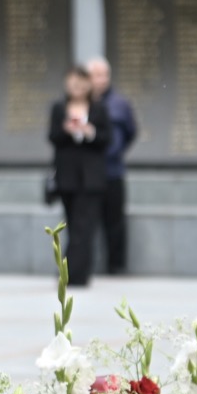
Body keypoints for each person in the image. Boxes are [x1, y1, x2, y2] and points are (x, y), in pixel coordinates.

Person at [48, 64, 110, 288]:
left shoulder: (98, 108)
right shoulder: (59, 108)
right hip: (67, 177)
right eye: (72, 82)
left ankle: (78, 275)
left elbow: (106, 139)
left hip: (92, 178)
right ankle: (68, 273)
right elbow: (53, 137)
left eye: (81, 82)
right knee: (72, 226)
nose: (77, 87)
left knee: (86, 227)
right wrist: (66, 130)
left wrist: (89, 131)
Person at [84, 57, 137, 275]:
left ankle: (116, 266)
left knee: (114, 222)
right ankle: (82, 266)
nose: (100, 80)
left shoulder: (119, 104)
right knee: (85, 221)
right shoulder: (80, 103)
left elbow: (131, 132)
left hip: (113, 171)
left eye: (104, 74)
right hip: (87, 173)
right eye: (96, 75)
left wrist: (114, 151)